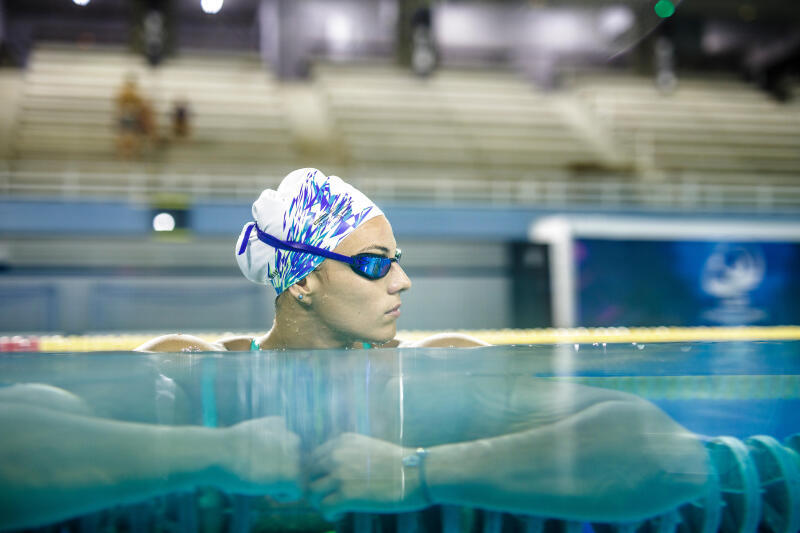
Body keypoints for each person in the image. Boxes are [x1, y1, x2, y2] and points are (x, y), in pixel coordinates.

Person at [0, 169, 711, 530]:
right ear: (303, 280)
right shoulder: (190, 368)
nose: (402, 279)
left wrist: (423, 472)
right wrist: (214, 453)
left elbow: (673, 457)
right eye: (375, 262)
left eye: (397, 258)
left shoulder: (445, 366)